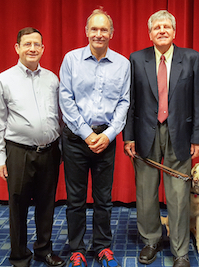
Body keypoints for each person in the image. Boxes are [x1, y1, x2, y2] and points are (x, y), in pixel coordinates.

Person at [123, 10, 199, 267]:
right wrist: (128, 138)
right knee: (146, 193)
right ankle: (151, 240)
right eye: (157, 27)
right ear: (150, 34)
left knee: (179, 195)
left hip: (179, 135)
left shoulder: (192, 58)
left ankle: (180, 251)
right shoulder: (137, 59)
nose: (162, 30)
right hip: (144, 135)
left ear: (174, 32)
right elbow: (130, 102)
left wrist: (198, 139)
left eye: (166, 27)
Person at [0, 27, 64, 267]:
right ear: (17, 48)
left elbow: (59, 117)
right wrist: (0, 157)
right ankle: (19, 255)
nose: (32, 48)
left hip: (50, 151)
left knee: (47, 204)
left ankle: (43, 250)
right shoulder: (3, 80)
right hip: (18, 152)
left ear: (43, 48)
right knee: (18, 205)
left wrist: (60, 148)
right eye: (27, 44)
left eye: (37, 44)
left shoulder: (52, 79)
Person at [59, 8, 130, 267]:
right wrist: (87, 134)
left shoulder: (123, 64)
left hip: (106, 141)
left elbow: (124, 102)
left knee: (104, 199)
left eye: (104, 30)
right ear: (86, 31)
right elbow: (65, 99)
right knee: (75, 199)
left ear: (111, 33)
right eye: (94, 29)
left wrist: (109, 135)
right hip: (77, 139)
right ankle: (76, 248)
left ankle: (102, 247)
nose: (99, 34)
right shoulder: (71, 60)